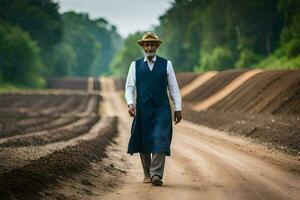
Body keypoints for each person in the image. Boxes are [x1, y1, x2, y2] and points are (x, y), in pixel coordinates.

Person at [125, 32, 182, 186]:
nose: (149, 47)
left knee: (161, 138)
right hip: (143, 109)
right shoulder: (135, 65)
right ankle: (147, 173)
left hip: (161, 109)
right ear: (143, 47)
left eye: (152, 44)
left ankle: (156, 174)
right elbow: (129, 87)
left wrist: (178, 108)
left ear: (157, 46)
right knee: (143, 140)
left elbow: (174, 88)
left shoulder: (167, 64)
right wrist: (130, 103)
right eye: (147, 44)